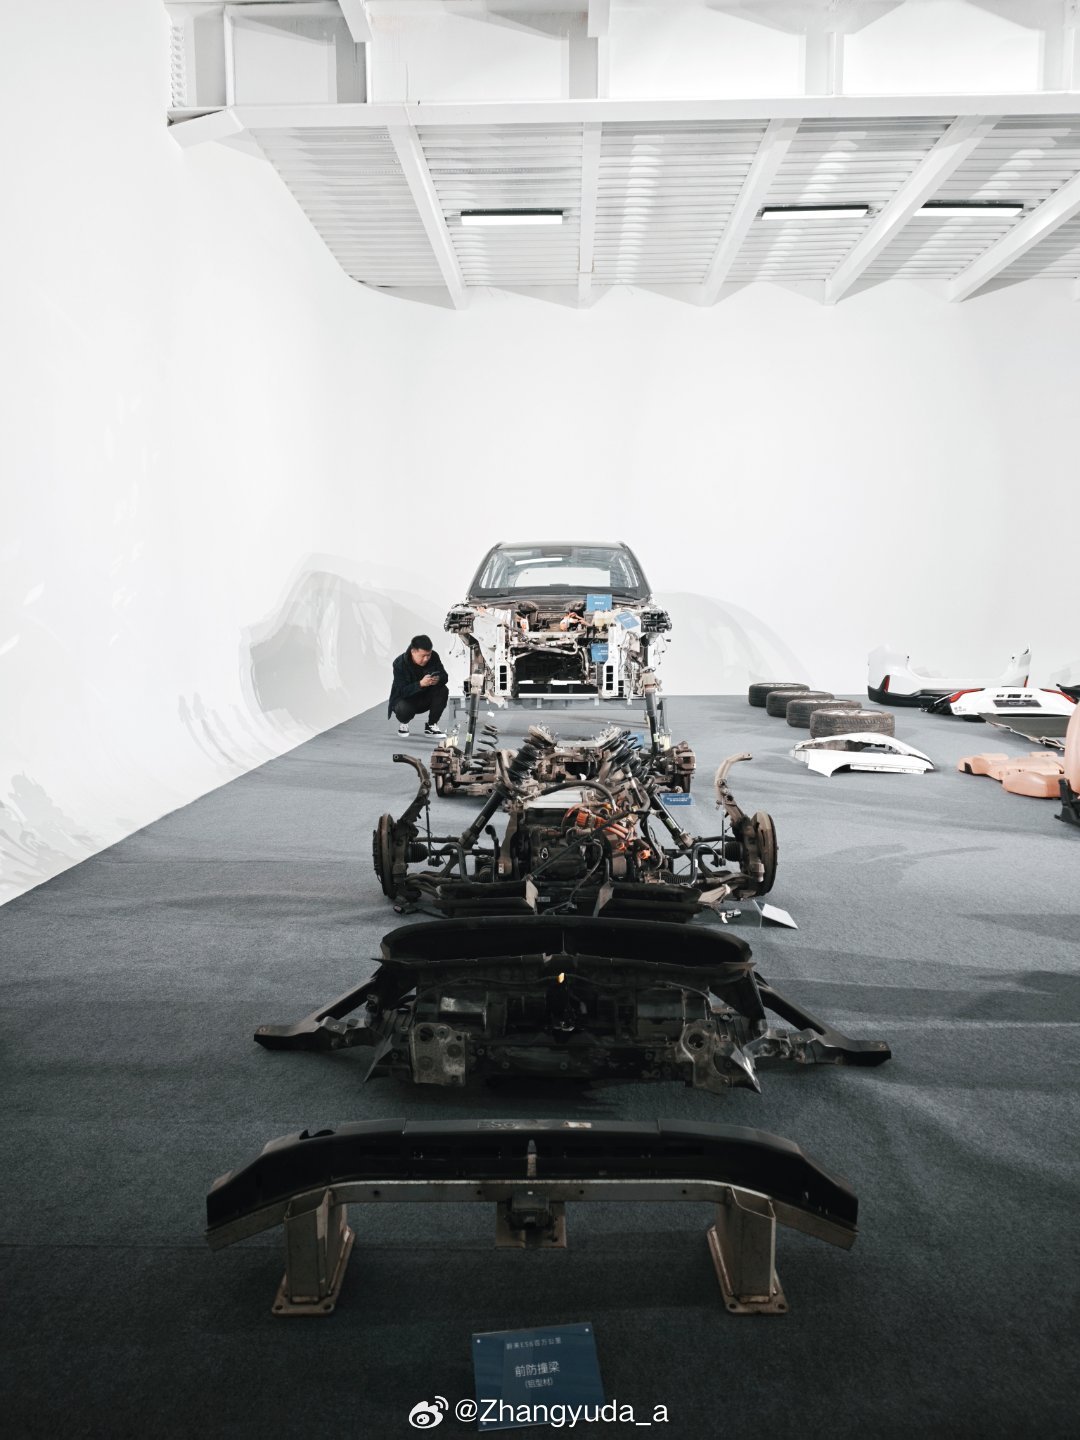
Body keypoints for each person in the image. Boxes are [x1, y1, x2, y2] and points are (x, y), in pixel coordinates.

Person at [388, 634, 450, 737]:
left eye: (428, 655)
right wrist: (420, 684)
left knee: (443, 690)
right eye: (423, 656)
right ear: (413, 651)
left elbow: (445, 677)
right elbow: (401, 692)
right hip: (406, 701)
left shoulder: (434, 656)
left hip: (424, 699)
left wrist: (438, 679)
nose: (426, 659)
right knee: (404, 710)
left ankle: (431, 725)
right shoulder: (399, 663)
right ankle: (404, 723)